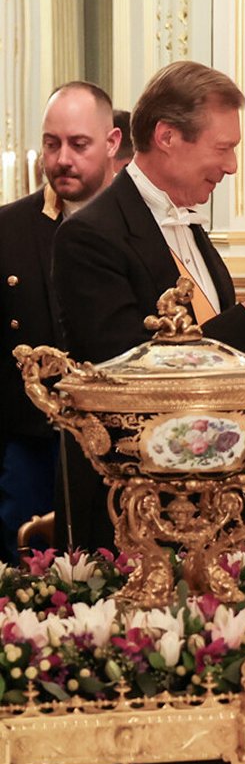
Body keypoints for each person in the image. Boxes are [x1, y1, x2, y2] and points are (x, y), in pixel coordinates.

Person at [52, 61, 245, 548]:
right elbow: (128, 374)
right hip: (131, 505)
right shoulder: (90, 236)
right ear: (166, 136)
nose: (232, 166)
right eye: (223, 148)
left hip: (210, 494)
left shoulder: (189, 224)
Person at [0, 83, 121, 560]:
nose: (62, 159)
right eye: (52, 144)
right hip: (26, 446)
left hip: (118, 448)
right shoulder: (7, 228)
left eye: (78, 144)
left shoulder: (141, 228)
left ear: (111, 143)